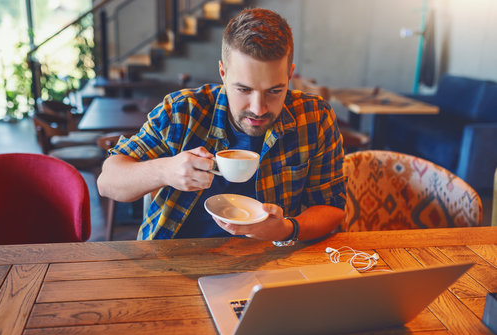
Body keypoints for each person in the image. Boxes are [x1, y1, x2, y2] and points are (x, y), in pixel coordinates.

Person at [97, 8, 346, 244]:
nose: (258, 109)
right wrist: (165, 171)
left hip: (269, 263)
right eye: (244, 89)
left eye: (274, 91)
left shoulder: (314, 117)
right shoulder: (182, 111)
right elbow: (108, 181)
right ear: (223, 72)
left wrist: (286, 229)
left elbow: (331, 207)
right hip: (170, 260)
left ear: (290, 75)